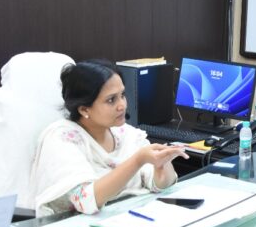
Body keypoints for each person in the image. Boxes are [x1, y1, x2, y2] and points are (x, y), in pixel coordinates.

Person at [28, 60, 188, 216]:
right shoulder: (61, 138)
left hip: (132, 217)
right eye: (111, 100)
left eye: (122, 95)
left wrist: (163, 165)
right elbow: (85, 200)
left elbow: (159, 185)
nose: (122, 105)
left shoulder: (125, 133)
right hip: (77, 226)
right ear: (84, 109)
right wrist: (138, 160)